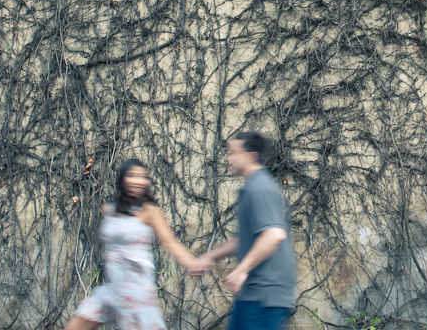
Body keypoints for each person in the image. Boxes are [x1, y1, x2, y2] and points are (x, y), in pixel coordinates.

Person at [64, 158, 202, 330]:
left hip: (136, 295)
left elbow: (171, 243)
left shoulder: (150, 212)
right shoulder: (110, 209)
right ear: (122, 179)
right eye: (132, 176)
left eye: (142, 177)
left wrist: (192, 263)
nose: (137, 181)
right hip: (112, 290)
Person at [194, 131, 296, 330]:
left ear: (250, 156)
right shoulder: (256, 186)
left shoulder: (259, 188)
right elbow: (247, 240)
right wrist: (209, 257)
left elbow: (273, 234)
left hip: (264, 296)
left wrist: (242, 270)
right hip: (257, 294)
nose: (227, 158)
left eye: (233, 152)